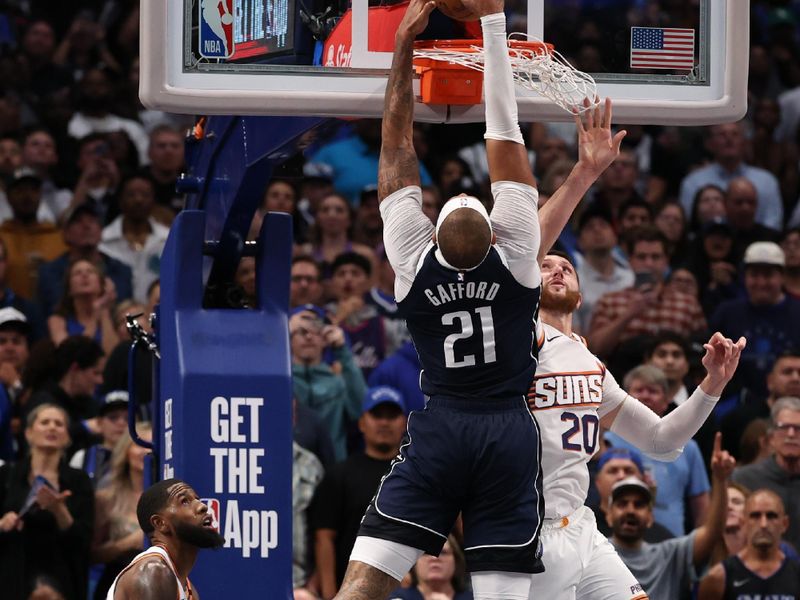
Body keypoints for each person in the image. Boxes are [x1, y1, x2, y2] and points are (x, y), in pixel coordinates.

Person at [335, 0, 624, 597]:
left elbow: (396, 146)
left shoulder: (413, 263)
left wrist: (403, 47)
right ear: (492, 231)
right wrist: (494, 21)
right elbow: (504, 129)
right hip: (505, 437)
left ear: (433, 230)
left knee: (361, 588)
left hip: (443, 427)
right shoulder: (518, 255)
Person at [526, 250, 743, 598]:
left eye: (566, 268)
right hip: (530, 529)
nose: (557, 271)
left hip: (580, 524)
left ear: (580, 299)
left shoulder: (590, 364)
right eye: (545, 266)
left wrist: (713, 383)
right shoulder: (514, 345)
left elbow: (661, 440)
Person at [607, 434, 735, 600]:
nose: (630, 510)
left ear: (650, 518)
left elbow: (713, 532)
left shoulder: (670, 556)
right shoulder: (593, 555)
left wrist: (720, 480)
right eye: (622, 504)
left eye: (639, 505)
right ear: (608, 515)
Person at [311, 386, 407, 598]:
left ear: (404, 423)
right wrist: (329, 593)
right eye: (376, 415)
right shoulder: (339, 474)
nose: (384, 422)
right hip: (351, 589)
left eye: (391, 416)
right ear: (362, 422)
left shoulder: (416, 475)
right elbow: (324, 538)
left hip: (407, 590)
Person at [0, 404, 94, 600]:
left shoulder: (79, 480)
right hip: (12, 576)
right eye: (44, 422)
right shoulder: (6, 475)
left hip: (62, 577)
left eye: (59, 424)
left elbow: (84, 542)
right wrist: (2, 523)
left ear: (67, 437)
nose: (52, 427)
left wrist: (60, 511)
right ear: (28, 433)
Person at [106, 478, 224, 599]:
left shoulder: (188, 588)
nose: (202, 506)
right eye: (184, 501)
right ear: (160, 523)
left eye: (197, 499)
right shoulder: (153, 572)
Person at [698, 489, 800, 599]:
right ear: (743, 523)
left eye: (771, 516)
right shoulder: (718, 577)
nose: (763, 524)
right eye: (755, 516)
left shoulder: (796, 575)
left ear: (784, 524)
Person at [731, 397, 800, 549]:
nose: (790, 434)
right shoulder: (743, 479)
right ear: (771, 436)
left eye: (798, 428)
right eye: (783, 427)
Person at [92, 425, 152, 599]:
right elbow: (92, 555)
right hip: (116, 584)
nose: (145, 451)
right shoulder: (106, 498)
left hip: (158, 585)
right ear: (126, 451)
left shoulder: (169, 496)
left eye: (150, 444)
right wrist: (128, 543)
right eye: (139, 444)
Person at [47, 258, 118, 355]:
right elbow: (72, 355)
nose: (84, 275)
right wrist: (94, 316)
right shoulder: (57, 320)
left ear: (102, 285)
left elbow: (113, 354)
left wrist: (104, 310)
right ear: (69, 289)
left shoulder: (116, 317)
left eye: (90, 271)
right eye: (77, 273)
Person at [388, 537, 473, 600]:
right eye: (426, 553)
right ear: (414, 563)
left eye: (443, 553)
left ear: (456, 561)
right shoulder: (397, 597)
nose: (434, 558)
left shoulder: (475, 597)